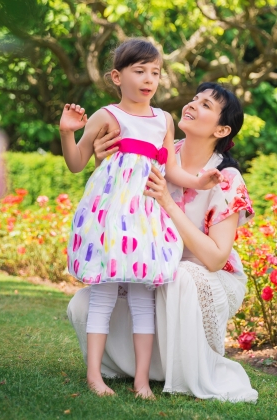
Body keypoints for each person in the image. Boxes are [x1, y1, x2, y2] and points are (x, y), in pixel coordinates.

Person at [67, 82, 259, 402]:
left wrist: (168, 204)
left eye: (206, 105)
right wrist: (102, 160)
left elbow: (214, 259)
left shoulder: (226, 178)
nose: (193, 105)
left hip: (204, 277)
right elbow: (116, 192)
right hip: (152, 263)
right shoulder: (158, 146)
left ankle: (185, 372)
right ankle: (146, 369)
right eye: (195, 99)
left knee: (178, 278)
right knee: (84, 305)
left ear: (222, 129)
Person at [58, 39, 222, 399]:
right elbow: (76, 163)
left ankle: (142, 381)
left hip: (146, 220)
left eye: (155, 72)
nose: (149, 79)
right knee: (101, 295)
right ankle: (94, 376)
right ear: (117, 76)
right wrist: (67, 131)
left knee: (142, 299)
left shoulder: (164, 119)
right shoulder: (107, 116)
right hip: (111, 218)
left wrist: (200, 180)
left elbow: (172, 169)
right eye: (139, 71)